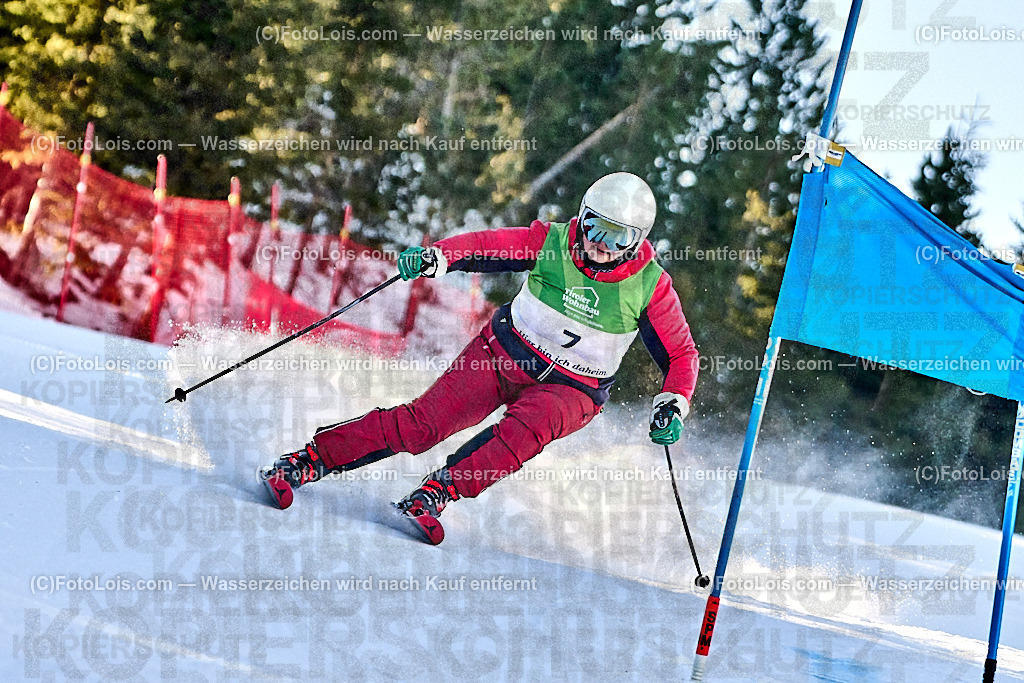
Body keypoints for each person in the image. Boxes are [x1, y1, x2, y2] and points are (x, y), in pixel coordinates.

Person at [259, 172, 699, 544]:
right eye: (594, 227)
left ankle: (439, 491)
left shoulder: (650, 286)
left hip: (573, 388)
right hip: (503, 352)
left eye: (617, 236)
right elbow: (489, 244)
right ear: (581, 217)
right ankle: (308, 459)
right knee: (424, 424)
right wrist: (440, 257)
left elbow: (681, 353)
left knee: (523, 433)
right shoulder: (551, 242)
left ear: (638, 241)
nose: (601, 244)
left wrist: (672, 403)